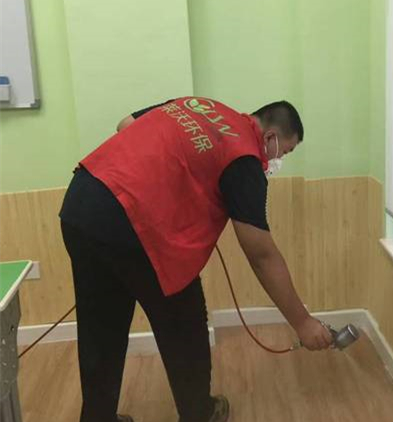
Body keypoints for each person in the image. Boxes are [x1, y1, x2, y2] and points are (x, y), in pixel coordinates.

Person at [59, 97, 333, 422]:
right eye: (283, 152)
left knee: (101, 327)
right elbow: (261, 254)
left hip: (82, 203)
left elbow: (126, 125)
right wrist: (303, 323)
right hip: (134, 227)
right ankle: (199, 414)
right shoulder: (245, 157)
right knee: (185, 327)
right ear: (270, 137)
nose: (277, 160)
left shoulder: (200, 105)